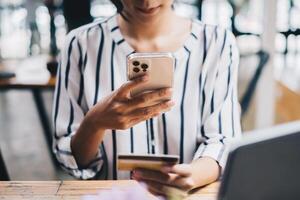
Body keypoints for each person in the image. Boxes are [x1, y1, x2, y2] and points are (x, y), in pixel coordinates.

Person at [52, 0, 241, 196]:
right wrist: (94, 124)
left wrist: (193, 175)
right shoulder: (79, 44)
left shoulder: (217, 42)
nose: (147, 2)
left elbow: (222, 140)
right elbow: (69, 155)